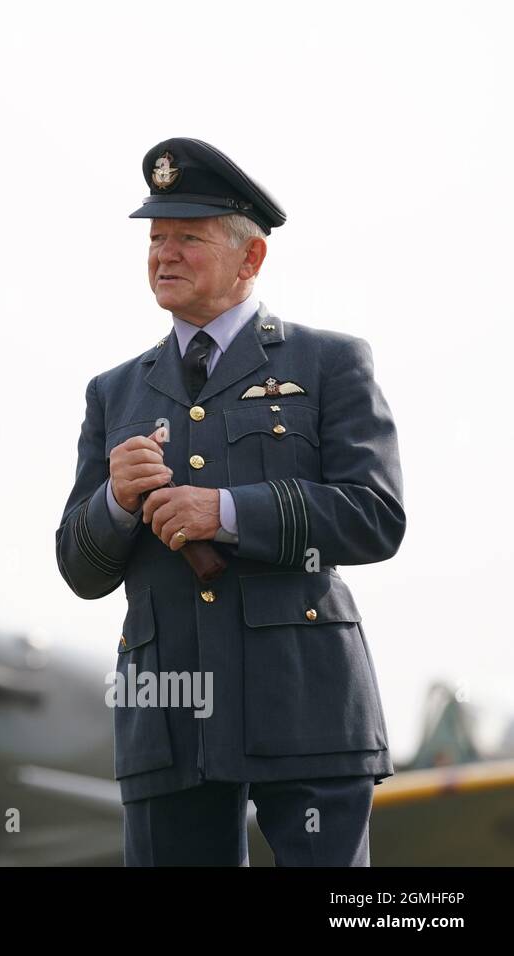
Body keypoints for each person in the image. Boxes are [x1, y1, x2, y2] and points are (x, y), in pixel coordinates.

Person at [55, 137, 406, 866]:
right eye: (155, 238)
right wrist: (116, 504)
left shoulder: (329, 363)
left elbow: (375, 515)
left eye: (189, 237)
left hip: (306, 708)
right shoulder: (114, 391)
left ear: (251, 259)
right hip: (168, 718)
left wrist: (229, 512)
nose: (164, 255)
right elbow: (78, 568)